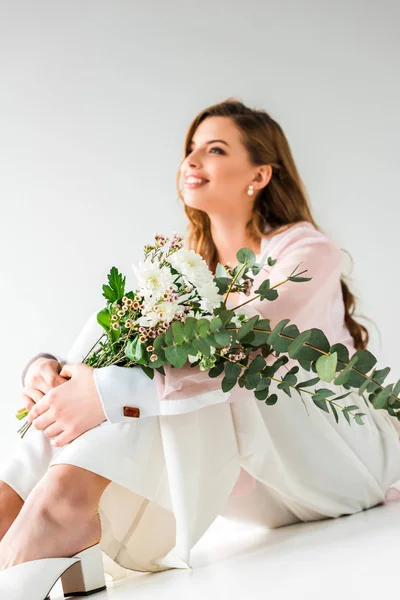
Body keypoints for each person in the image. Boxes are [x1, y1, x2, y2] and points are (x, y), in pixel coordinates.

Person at [1, 98, 400, 596]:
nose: (191, 161)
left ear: (259, 175)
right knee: (128, 323)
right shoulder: (190, 270)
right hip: (259, 490)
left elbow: (245, 353)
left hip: (340, 464)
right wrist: (47, 372)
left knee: (208, 362)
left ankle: (60, 508)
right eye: (190, 149)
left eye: (213, 149)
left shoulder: (306, 252)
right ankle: (16, 501)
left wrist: (108, 391)